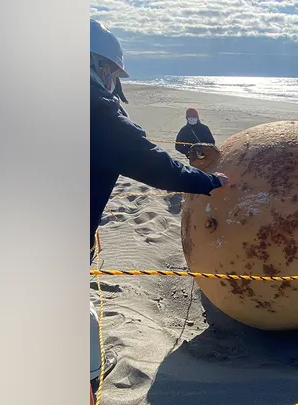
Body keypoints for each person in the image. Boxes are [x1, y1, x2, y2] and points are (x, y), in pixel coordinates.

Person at [89, 19, 228, 394]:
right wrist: (210, 182)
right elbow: (150, 161)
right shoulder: (95, 109)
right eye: (112, 72)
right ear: (102, 67)